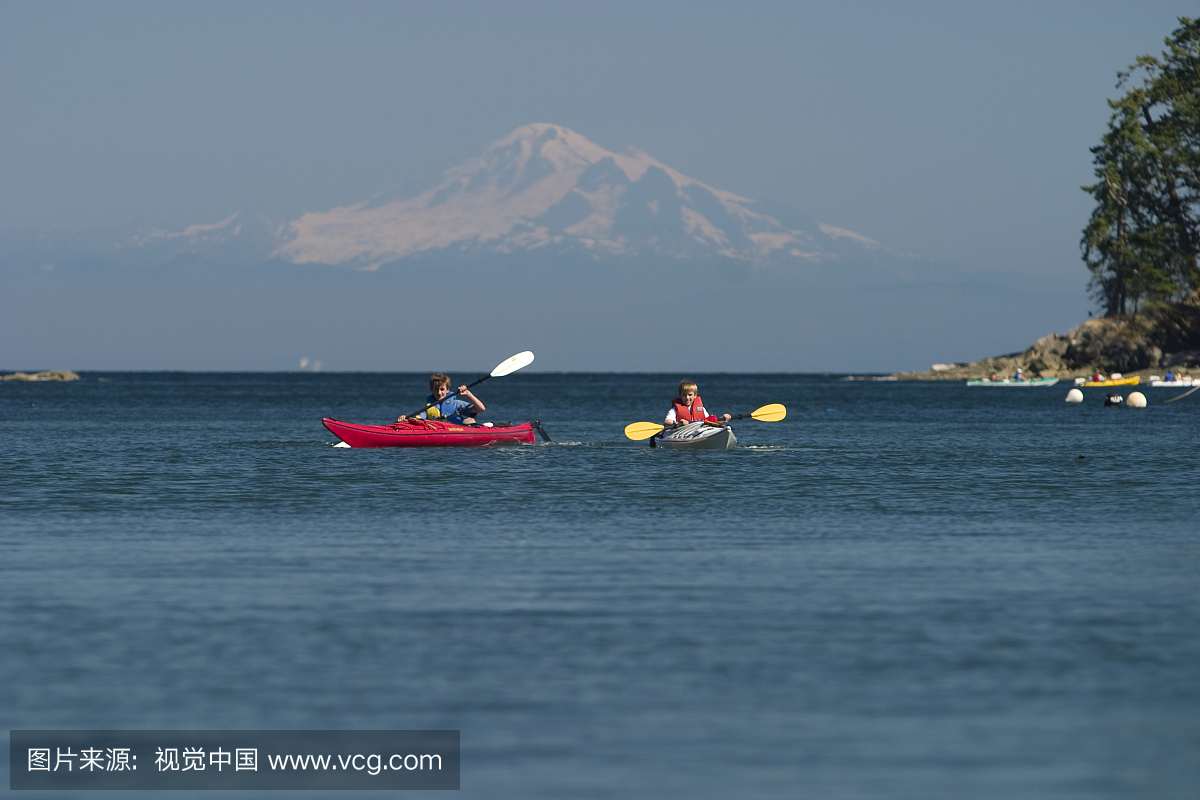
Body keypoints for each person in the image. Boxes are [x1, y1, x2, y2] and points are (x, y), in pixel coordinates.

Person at [397, 373, 485, 424]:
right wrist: (405, 419)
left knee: (470, 421)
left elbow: (481, 409)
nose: (439, 393)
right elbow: (417, 419)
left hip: (457, 431)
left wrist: (468, 394)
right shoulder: (428, 407)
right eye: (436, 389)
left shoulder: (456, 404)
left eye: (442, 389)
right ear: (432, 390)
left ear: (447, 390)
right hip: (440, 433)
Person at [664, 380, 731, 427]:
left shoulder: (701, 409)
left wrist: (723, 418)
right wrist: (678, 423)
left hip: (698, 432)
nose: (687, 398)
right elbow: (667, 422)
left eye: (690, 395)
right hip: (682, 432)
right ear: (680, 395)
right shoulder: (674, 410)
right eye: (684, 395)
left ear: (695, 395)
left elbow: (710, 421)